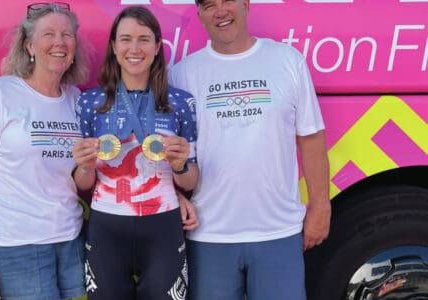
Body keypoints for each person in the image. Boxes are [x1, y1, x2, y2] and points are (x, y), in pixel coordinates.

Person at [169, 0, 331, 299]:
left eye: (228, 1)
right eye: (209, 5)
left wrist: (321, 206)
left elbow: (310, 138)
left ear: (245, 4)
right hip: (208, 234)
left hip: (278, 232)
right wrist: (175, 196)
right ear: (200, 14)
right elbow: (169, 150)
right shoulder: (182, 74)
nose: (220, 11)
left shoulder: (287, 60)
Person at [0, 3, 90, 300]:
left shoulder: (76, 100)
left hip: (71, 244)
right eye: (49, 34)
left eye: (66, 35)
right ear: (29, 45)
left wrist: (87, 166)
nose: (59, 43)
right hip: (16, 250)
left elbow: (79, 181)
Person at [71, 6, 199, 300]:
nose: (135, 48)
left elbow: (191, 180)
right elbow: (82, 185)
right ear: (114, 47)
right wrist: (86, 166)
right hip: (107, 227)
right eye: (126, 39)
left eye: (144, 39)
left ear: (157, 47)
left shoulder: (180, 103)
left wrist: (180, 166)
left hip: (163, 227)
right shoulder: (90, 103)